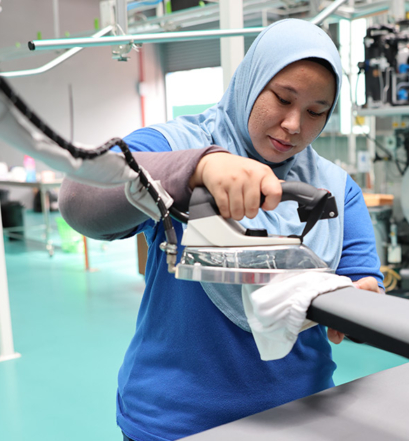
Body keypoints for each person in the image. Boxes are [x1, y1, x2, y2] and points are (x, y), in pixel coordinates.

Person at [59, 19, 383, 441]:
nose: (293, 124)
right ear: (252, 80)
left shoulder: (336, 190)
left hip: (301, 415)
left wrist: (362, 310)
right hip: (176, 420)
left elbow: (364, 283)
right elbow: (78, 196)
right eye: (282, 98)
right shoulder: (175, 144)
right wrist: (197, 168)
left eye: (315, 112)